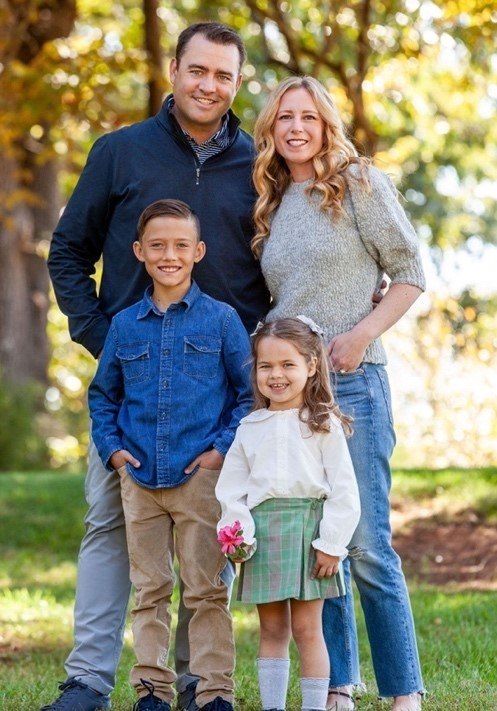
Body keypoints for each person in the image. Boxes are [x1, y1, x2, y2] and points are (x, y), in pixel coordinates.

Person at [45, 22, 269, 711]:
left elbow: (277, 262)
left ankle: (197, 684)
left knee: (202, 541)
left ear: (236, 83)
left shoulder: (258, 164)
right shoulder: (120, 152)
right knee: (111, 528)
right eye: (197, 70)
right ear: (174, 70)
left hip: (218, 392)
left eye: (223, 75)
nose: (208, 85)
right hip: (134, 386)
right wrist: (105, 339)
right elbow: (67, 251)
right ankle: (87, 680)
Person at [251, 76, 426, 711]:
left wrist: (360, 335)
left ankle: (403, 691)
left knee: (367, 543)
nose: (296, 128)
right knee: (320, 541)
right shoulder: (272, 201)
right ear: (271, 130)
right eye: (284, 119)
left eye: (309, 117)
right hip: (294, 398)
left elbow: (409, 272)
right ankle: (339, 686)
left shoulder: (358, 183)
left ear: (327, 125)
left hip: (354, 383)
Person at [88, 198, 252, 711]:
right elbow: (103, 394)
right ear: (139, 251)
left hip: (199, 478)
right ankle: (152, 690)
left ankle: (212, 692)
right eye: (157, 245)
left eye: (181, 245)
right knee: (150, 589)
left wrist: (219, 453)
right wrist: (113, 452)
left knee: (206, 589)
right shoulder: (124, 326)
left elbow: (247, 395)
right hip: (139, 480)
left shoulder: (222, 322)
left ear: (198, 252)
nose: (169, 255)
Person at [215, 317, 361, 711]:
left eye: (287, 365)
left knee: (306, 628)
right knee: (273, 627)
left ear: (311, 366)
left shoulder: (323, 424)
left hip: (310, 534)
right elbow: (232, 490)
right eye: (266, 366)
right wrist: (238, 533)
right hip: (264, 536)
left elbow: (345, 490)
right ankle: (273, 707)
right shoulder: (249, 427)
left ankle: (314, 705)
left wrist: (331, 543)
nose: (276, 375)